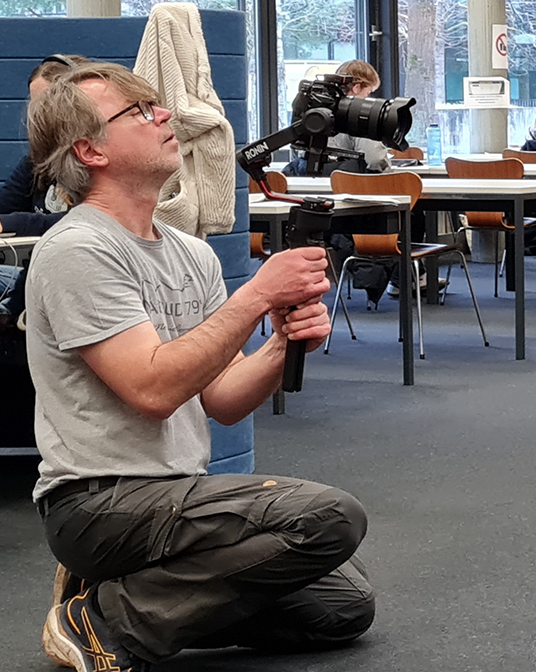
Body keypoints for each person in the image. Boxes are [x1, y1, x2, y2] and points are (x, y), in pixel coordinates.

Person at [28, 63, 373, 671]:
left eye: (155, 106)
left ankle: (129, 596)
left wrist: (278, 346)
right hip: (100, 504)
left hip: (178, 494)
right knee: (329, 517)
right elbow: (152, 389)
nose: (164, 117)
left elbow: (223, 399)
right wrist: (257, 297)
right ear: (89, 150)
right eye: (138, 113)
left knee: (343, 606)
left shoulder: (189, 252)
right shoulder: (76, 248)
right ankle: (103, 622)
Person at [0, 54, 89, 327]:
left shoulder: (98, 157)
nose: (41, 116)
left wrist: (13, 223)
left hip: (81, 289)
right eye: (37, 106)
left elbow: (89, 218)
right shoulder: (39, 158)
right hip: (34, 287)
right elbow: (5, 204)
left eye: (49, 104)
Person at [284, 59, 391, 175]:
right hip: (348, 186)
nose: (368, 97)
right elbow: (375, 159)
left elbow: (297, 149)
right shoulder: (362, 117)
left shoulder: (313, 112)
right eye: (368, 92)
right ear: (356, 88)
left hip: (305, 182)